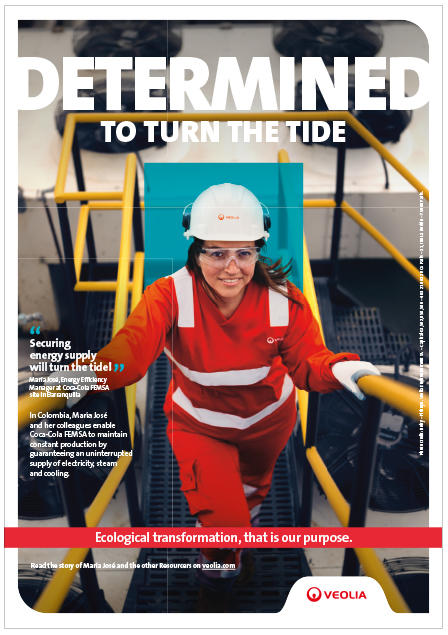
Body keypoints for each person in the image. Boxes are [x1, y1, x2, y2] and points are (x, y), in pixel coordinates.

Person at [64, 183, 380, 610]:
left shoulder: (284, 301)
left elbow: (309, 363)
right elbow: (132, 353)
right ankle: (216, 581)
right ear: (195, 250)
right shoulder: (167, 296)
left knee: (251, 497)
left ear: (257, 251)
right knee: (224, 523)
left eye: (244, 253)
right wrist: (85, 375)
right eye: (216, 253)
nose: (232, 268)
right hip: (200, 426)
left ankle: (230, 551)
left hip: (268, 426)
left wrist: (342, 368)